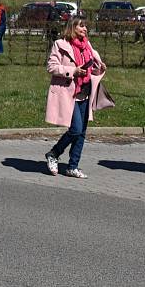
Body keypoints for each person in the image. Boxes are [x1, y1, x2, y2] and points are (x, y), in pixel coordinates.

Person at [43, 16, 108, 179]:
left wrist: (99, 67)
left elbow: (91, 68)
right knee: (76, 129)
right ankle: (54, 153)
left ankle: (73, 166)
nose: (85, 29)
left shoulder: (87, 46)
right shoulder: (60, 44)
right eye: (81, 26)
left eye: (86, 26)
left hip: (85, 92)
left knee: (82, 132)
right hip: (69, 93)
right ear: (72, 27)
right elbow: (51, 67)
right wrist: (73, 71)